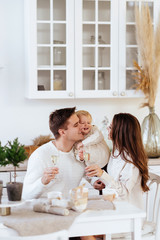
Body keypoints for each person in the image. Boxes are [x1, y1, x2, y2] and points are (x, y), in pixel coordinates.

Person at [81, 113, 149, 240]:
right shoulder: (116, 152)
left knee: (82, 231)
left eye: (111, 127)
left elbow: (122, 192)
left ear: (120, 131)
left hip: (128, 219)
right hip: (113, 212)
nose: (107, 128)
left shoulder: (131, 161)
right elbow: (112, 181)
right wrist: (99, 180)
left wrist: (102, 174)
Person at [22, 107, 86, 200]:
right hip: (47, 211)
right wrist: (43, 181)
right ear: (62, 132)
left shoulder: (80, 152)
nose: (82, 127)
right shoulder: (40, 155)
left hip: (72, 209)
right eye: (76, 125)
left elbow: (85, 175)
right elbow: (26, 195)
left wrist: (95, 181)